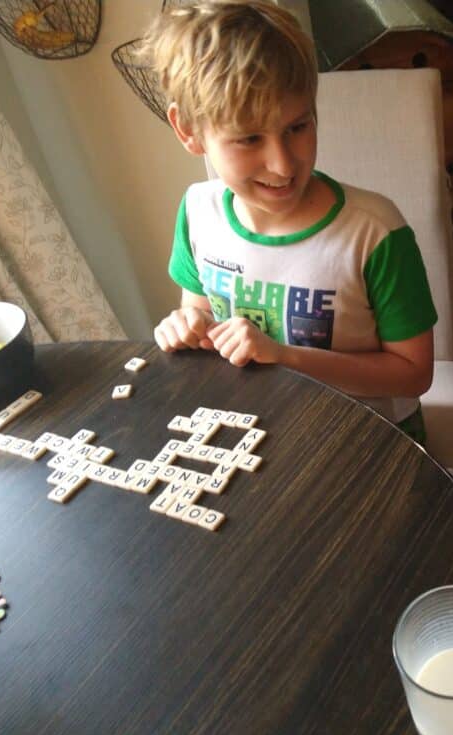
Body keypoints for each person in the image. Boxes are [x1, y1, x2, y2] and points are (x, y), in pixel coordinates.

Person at [141, 1, 437, 443]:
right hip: (263, 428)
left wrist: (285, 357)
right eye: (249, 139)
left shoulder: (375, 232)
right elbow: (201, 309)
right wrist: (189, 326)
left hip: (373, 438)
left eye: (298, 127)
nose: (282, 166)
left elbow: (413, 375)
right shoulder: (198, 213)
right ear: (188, 130)